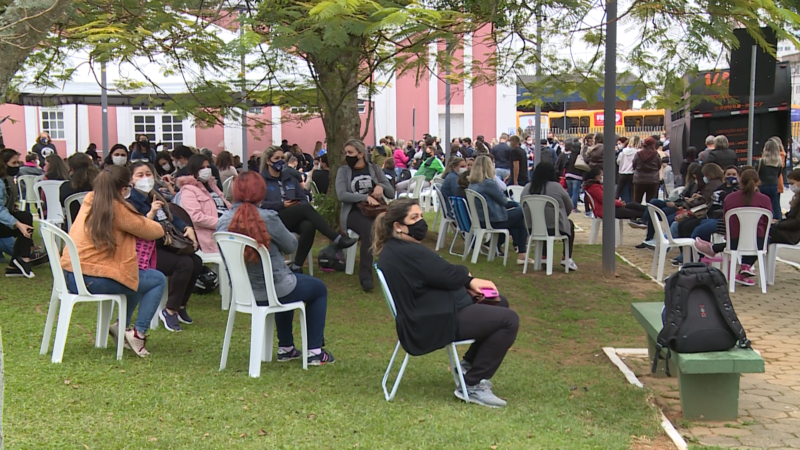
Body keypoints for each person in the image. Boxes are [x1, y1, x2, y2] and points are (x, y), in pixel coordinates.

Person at [374, 199, 518, 407]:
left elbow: (439, 274)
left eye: (420, 216)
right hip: (431, 322)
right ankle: (472, 385)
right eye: (414, 218)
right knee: (509, 320)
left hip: (430, 312)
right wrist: (468, 278)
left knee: (498, 302)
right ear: (398, 226)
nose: (420, 222)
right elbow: (447, 274)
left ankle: (469, 365)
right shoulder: (408, 252)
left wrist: (466, 280)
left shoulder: (398, 248)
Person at [216, 171, 334, 365]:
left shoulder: (222, 221)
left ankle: (287, 348)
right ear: (261, 193)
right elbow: (291, 246)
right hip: (274, 288)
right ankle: (314, 351)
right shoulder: (268, 217)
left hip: (243, 292)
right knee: (317, 288)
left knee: (284, 284)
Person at [61, 165, 167, 356]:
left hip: (70, 275)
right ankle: (138, 333)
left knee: (135, 276)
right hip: (93, 277)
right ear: (124, 188)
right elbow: (154, 231)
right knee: (156, 279)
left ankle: (121, 325)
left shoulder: (90, 200)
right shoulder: (117, 208)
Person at [127, 161, 202, 331]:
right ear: (131, 179)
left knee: (196, 261)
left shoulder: (155, 195)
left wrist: (186, 228)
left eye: (148, 174)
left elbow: (171, 217)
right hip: (146, 251)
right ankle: (170, 310)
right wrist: (151, 213)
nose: (145, 178)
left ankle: (180, 306)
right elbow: (138, 227)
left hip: (166, 244)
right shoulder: (130, 201)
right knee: (184, 264)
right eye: (140, 175)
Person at [260, 146, 356, 273]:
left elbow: (302, 197)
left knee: (308, 225)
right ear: (268, 161)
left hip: (294, 215)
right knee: (305, 208)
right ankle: (336, 238)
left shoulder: (290, 178)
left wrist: (298, 206)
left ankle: (297, 266)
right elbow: (260, 204)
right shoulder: (261, 180)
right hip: (273, 218)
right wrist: (282, 205)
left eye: (282, 158)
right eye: (276, 158)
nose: (280, 161)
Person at [692, 169, 772, 286]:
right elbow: (766, 222)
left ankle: (714, 248)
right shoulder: (765, 199)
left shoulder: (730, 198)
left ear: (740, 182)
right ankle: (745, 266)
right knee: (766, 237)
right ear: (758, 182)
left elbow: (726, 220)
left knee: (740, 237)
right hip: (758, 242)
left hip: (734, 240)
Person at [336, 139, 395, 291]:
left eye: (350, 152)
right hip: (353, 212)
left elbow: (391, 192)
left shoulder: (374, 168)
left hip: (376, 210)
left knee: (394, 226)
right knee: (370, 229)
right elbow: (342, 195)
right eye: (346, 153)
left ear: (361, 154)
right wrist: (364, 197)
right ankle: (366, 276)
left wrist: (380, 186)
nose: (347, 156)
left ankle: (395, 269)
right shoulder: (343, 171)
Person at [468, 155, 530, 265]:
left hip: (481, 219)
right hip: (493, 220)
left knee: (519, 219)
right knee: (523, 211)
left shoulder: (472, 184)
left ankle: (517, 251)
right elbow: (503, 200)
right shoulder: (488, 183)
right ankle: (521, 252)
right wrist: (516, 205)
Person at [523, 162, 577, 270]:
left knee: (543, 223)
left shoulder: (527, 188)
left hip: (532, 227)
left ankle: (544, 256)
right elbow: (570, 206)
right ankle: (567, 257)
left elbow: (523, 206)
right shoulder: (556, 187)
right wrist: (562, 216)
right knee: (568, 224)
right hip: (554, 227)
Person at [176, 154, 230, 253]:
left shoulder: (212, 185)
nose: (206, 170)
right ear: (194, 170)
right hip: (210, 237)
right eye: (202, 168)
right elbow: (196, 217)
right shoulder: (188, 190)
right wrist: (223, 222)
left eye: (208, 167)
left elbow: (226, 205)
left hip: (227, 231)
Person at [0, 149, 35, 277]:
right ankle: (22, 259)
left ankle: (17, 263)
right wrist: (17, 224)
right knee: (24, 220)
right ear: (3, 164)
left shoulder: (5, 180)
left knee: (25, 216)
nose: (17, 166)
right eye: (14, 163)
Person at [60, 153, 99, 225]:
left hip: (73, 226)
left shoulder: (65, 187)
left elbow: (63, 206)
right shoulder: (100, 185)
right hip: (98, 226)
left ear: (71, 169)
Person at [757, 138, 784, 220]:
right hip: (774, 185)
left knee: (763, 204)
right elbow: (779, 173)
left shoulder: (761, 161)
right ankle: (777, 219)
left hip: (763, 185)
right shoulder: (779, 161)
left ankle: (765, 219)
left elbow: (757, 173)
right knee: (775, 204)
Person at [632, 137, 661, 203]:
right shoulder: (656, 154)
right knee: (651, 202)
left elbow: (634, 165)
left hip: (639, 179)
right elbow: (659, 166)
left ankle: (637, 210)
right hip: (653, 180)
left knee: (637, 201)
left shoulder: (638, 154)